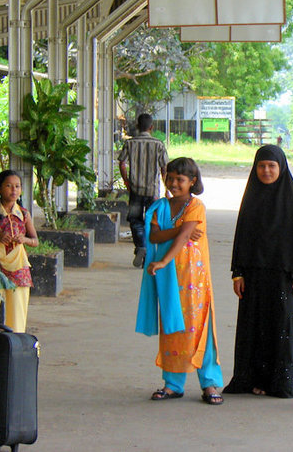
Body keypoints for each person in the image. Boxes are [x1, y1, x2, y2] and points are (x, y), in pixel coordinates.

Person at [224, 145, 293, 398]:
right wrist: (238, 272)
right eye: (262, 166)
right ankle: (255, 379)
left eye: (271, 166)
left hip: (283, 277)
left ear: (281, 168)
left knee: (283, 326)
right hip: (254, 277)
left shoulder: (291, 199)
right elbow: (242, 237)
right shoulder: (251, 197)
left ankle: (284, 382)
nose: (266, 171)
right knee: (255, 327)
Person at [135, 157, 224, 405]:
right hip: (169, 281)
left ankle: (209, 383)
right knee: (172, 327)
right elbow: (154, 235)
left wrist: (163, 260)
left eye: (180, 180)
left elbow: (185, 236)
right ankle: (173, 384)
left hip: (194, 280)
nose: (174, 183)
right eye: (170, 178)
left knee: (200, 329)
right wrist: (180, 229)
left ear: (192, 182)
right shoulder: (159, 207)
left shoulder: (196, 206)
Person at [0, 170, 38, 333]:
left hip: (19, 268)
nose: (14, 190)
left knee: (17, 315)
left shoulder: (24, 214)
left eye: (17, 186)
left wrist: (24, 240)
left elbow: (35, 241)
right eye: (9, 186)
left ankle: (14, 346)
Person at [119, 113, 168, 268]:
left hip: (135, 190)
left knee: (135, 220)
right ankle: (150, 252)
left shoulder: (130, 143)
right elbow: (164, 168)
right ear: (151, 127)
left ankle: (141, 247)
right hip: (152, 191)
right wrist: (166, 188)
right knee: (153, 222)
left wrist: (126, 180)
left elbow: (122, 163)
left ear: (137, 126)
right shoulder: (159, 144)